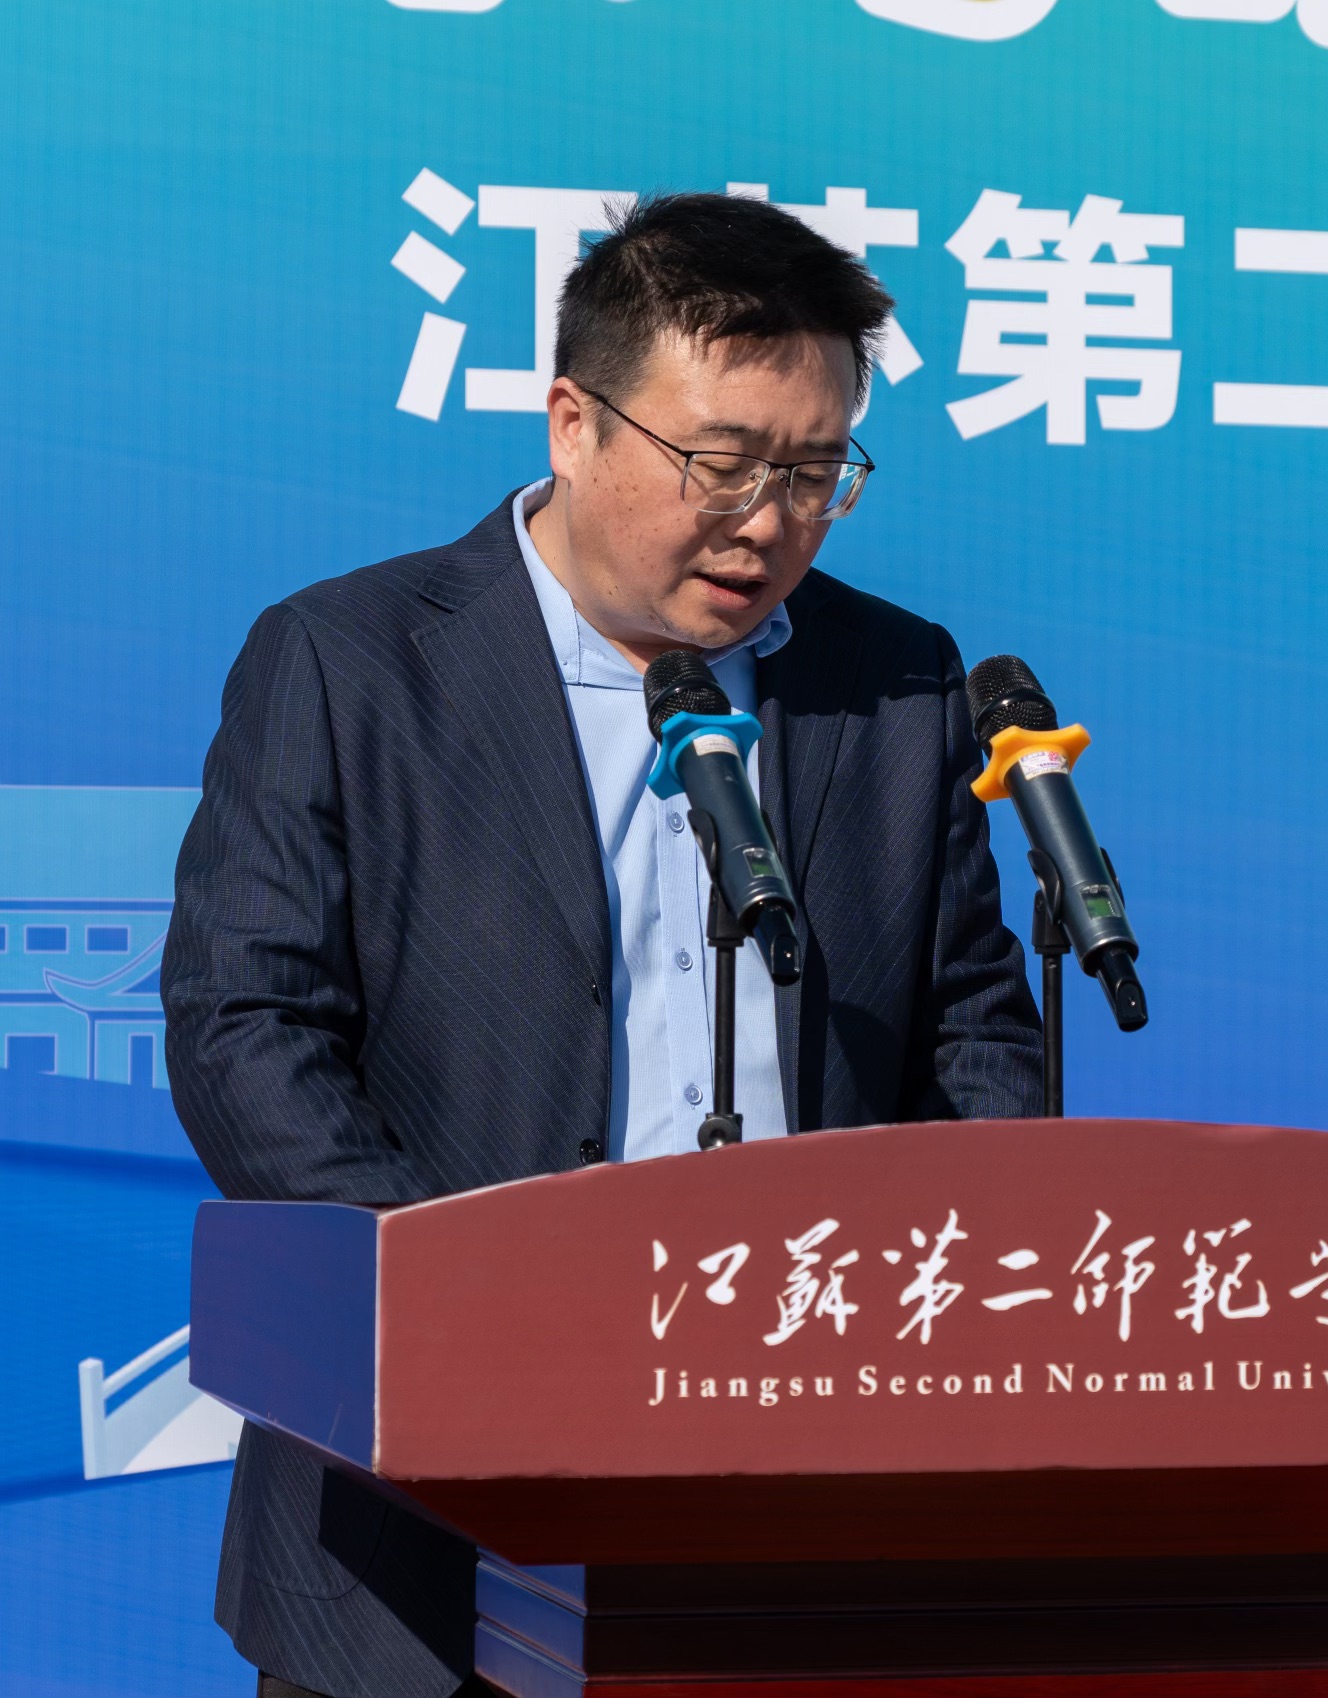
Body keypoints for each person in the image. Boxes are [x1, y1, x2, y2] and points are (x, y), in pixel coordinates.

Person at [167, 192, 1046, 1698]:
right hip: (421, 1512)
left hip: (808, 1494)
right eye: (724, 463)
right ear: (574, 423)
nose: (768, 521)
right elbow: (247, 1022)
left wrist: (935, 1307)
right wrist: (453, 1305)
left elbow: (973, 1032)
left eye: (817, 472)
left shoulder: (897, 682)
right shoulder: (351, 661)